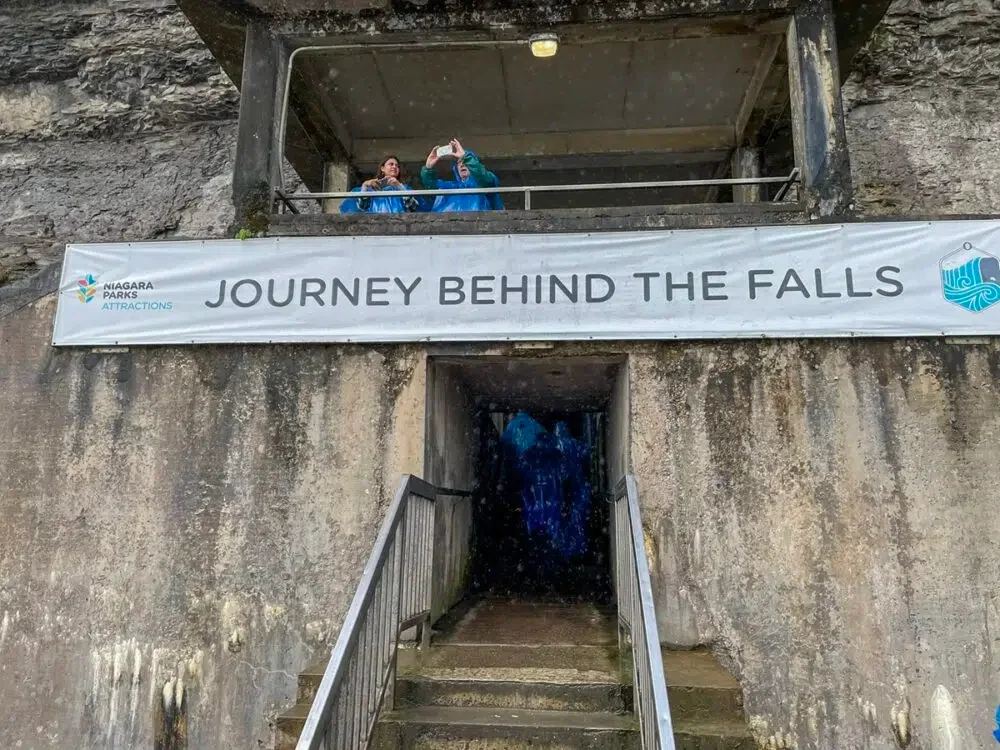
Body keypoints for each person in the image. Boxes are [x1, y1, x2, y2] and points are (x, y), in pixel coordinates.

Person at [420, 139, 503, 212]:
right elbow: (431, 185)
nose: (461, 165)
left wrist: (465, 157)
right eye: (459, 163)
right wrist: (428, 168)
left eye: (465, 162)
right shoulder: (451, 187)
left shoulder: (484, 183)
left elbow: (482, 176)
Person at [339, 155, 420, 214]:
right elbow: (362, 207)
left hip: (399, 228)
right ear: (382, 168)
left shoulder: (404, 188)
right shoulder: (371, 188)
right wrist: (364, 186)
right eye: (391, 164)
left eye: (397, 166)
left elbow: (413, 207)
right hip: (376, 228)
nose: (395, 167)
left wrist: (400, 186)